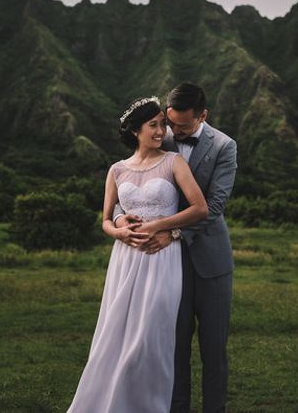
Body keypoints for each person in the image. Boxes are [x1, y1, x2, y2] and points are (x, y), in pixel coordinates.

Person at [67, 96, 208, 413]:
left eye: (163, 125)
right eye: (153, 125)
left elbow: (200, 208)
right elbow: (105, 219)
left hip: (162, 258)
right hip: (125, 258)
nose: (161, 131)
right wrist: (118, 231)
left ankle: (149, 406)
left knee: (150, 338)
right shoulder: (117, 170)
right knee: (113, 335)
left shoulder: (174, 163)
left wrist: (161, 225)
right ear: (135, 131)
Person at [115, 83, 238, 413]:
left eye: (183, 126)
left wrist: (174, 233)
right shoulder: (158, 138)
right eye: (170, 123)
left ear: (203, 116)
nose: (174, 132)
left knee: (213, 349)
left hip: (211, 262)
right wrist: (119, 219)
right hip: (165, 266)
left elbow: (214, 206)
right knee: (173, 348)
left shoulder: (225, 146)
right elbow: (129, 187)